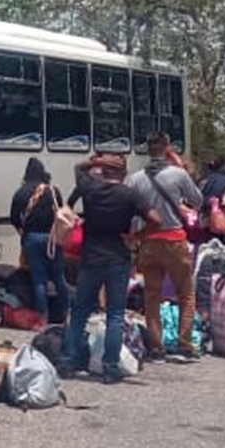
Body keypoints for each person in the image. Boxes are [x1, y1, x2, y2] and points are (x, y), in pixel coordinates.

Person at [60, 154, 161, 384]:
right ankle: (110, 368)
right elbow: (157, 218)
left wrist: (96, 159)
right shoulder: (130, 195)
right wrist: (136, 236)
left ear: (104, 171)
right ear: (123, 173)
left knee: (80, 312)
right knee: (115, 314)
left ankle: (67, 362)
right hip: (118, 259)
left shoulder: (90, 189)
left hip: (91, 259)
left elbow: (78, 166)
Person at [126, 131, 203, 363]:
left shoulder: (136, 178)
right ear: (167, 147)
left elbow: (130, 211)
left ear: (147, 149)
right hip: (174, 241)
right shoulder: (178, 175)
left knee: (152, 297)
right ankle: (185, 344)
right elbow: (197, 200)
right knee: (186, 294)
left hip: (148, 243)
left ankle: (156, 348)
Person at [10, 157, 69, 323]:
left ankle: (43, 317)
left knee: (39, 279)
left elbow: (14, 219)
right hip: (52, 238)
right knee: (59, 278)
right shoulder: (53, 190)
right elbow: (60, 214)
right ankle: (66, 313)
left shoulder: (21, 192)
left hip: (32, 238)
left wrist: (23, 234)